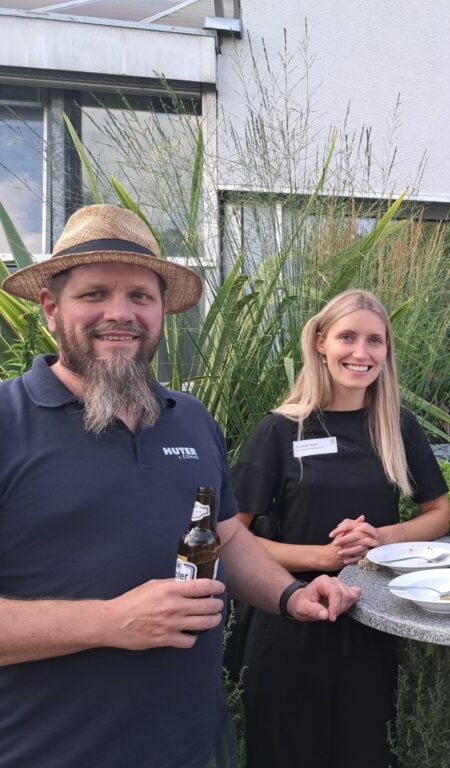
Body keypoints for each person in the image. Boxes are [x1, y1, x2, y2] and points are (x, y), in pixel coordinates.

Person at [0, 204, 361, 768]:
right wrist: (108, 621)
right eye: (94, 294)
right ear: (51, 308)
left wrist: (291, 595)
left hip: (196, 746)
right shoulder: (6, 421)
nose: (120, 314)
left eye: (140, 297)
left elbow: (227, 538)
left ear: (162, 310)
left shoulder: (191, 419)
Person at [232, 289, 450, 768]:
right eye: (347, 337)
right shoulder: (279, 431)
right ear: (319, 343)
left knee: (366, 751)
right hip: (292, 620)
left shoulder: (397, 426)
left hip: (375, 620)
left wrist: (381, 538)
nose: (361, 352)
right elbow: (231, 538)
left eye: (375, 341)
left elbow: (439, 513)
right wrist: (323, 558)